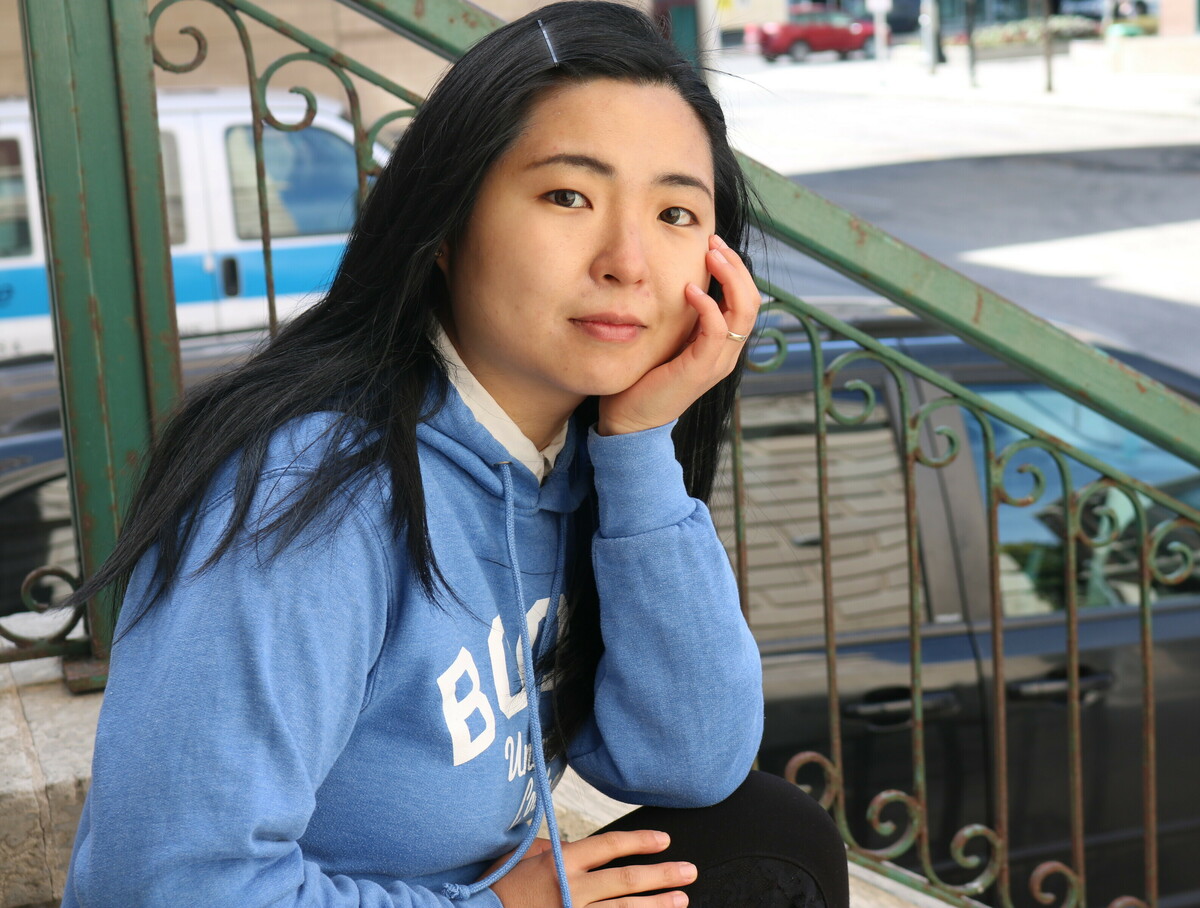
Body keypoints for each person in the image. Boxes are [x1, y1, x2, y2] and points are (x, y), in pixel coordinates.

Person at [62, 3, 849, 907]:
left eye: (675, 213)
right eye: (568, 196)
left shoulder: (568, 456)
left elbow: (692, 759)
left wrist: (638, 448)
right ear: (445, 224)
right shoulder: (310, 495)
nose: (628, 260)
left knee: (770, 838)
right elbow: (163, 886)